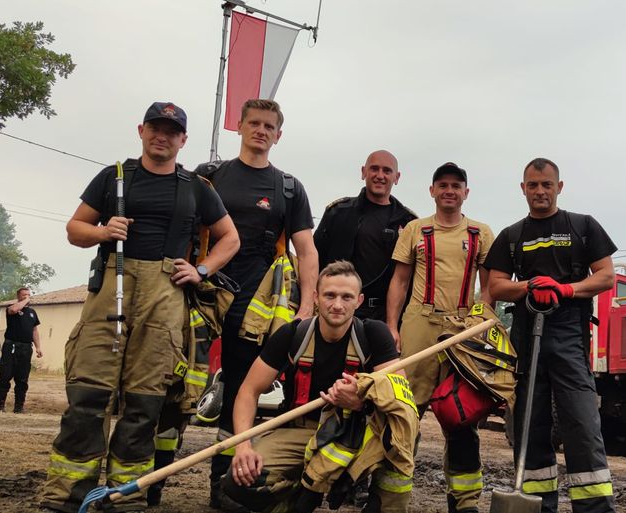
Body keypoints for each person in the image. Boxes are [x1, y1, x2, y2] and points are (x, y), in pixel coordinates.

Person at [41, 102, 239, 513]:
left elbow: (230, 239)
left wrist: (201, 270)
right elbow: (74, 229)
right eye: (155, 128)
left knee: (144, 405)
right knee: (87, 398)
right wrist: (102, 231)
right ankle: (64, 497)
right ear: (141, 131)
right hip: (110, 288)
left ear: (183, 140)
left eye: (171, 131)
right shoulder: (114, 178)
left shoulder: (196, 187)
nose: (161, 136)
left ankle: (124, 498)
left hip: (164, 296)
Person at [196, 98, 319, 510]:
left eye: (269, 126)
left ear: (278, 135)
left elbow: (306, 248)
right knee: (180, 388)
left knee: (240, 390)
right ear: (240, 127)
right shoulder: (210, 176)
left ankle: (225, 483)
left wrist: (307, 305)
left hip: (258, 306)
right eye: (254, 123)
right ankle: (152, 475)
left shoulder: (288, 187)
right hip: (204, 296)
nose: (261, 131)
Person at [484, 157, 618, 513]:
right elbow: (496, 286)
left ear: (559, 187)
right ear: (523, 189)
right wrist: (529, 286)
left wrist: (564, 290)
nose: (540, 191)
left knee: (581, 422)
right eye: (532, 185)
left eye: (546, 185)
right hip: (527, 337)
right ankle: (537, 505)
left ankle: (594, 508)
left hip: (569, 333)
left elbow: (606, 277)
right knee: (529, 423)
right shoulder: (512, 236)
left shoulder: (583, 226)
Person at [225, 261, 413, 512]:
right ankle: (301, 491)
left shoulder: (374, 334)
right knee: (239, 482)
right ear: (315, 297)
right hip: (300, 432)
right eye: (329, 295)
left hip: (356, 436)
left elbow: (401, 399)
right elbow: (248, 391)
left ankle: (379, 504)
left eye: (347, 297)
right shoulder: (292, 335)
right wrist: (243, 446)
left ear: (359, 301)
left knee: (402, 440)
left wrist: (361, 400)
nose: (337, 305)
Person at [385, 162, 494, 513]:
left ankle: (464, 503)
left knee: (461, 415)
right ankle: (391, 497)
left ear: (466, 192)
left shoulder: (480, 233)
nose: (449, 191)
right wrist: (391, 326)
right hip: (419, 323)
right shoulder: (415, 230)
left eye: (456, 185)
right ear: (432, 191)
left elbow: (490, 286)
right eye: (442, 185)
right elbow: (400, 281)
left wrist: (482, 322)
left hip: (464, 329)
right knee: (405, 412)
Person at [314, 150, 417, 322]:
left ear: (397, 177)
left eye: (387, 171)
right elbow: (314, 260)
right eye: (374, 169)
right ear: (363, 172)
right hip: (336, 310)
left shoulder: (409, 223)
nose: (380, 175)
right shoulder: (338, 212)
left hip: (385, 318)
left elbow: (410, 281)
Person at [0, 286, 42, 413]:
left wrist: (38, 347)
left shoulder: (32, 312)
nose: (27, 296)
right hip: (12, 346)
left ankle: (19, 407)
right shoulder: (11, 308)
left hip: (26, 348)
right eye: (24, 295)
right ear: (18, 296)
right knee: (5, 376)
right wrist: (26, 301)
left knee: (22, 379)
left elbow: (34, 330)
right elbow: (14, 309)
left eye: (28, 294)